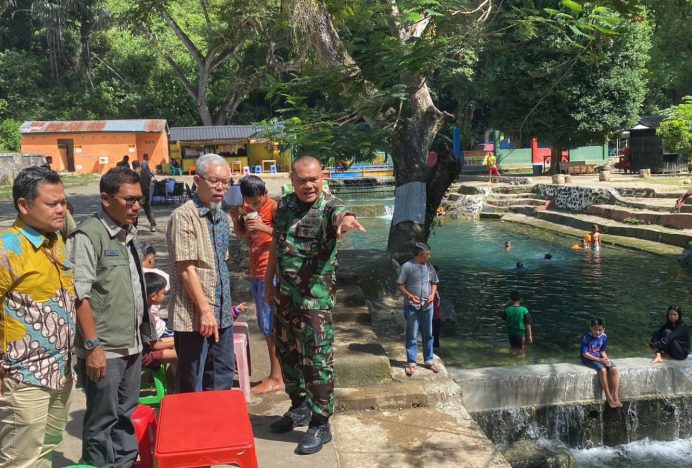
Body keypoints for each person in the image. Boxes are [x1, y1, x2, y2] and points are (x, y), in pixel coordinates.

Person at [264, 155, 365, 455]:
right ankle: (300, 407)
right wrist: (270, 280)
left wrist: (347, 222)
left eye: (314, 179)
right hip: (284, 296)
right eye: (302, 180)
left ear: (323, 177)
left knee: (317, 361)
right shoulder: (284, 205)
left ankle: (320, 422)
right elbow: (276, 242)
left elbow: (342, 216)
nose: (309, 185)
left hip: (313, 301)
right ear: (291, 179)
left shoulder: (330, 205)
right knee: (288, 354)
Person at [67, 166, 155, 466]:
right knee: (101, 421)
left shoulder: (126, 233)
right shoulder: (88, 236)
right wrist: (93, 347)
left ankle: (125, 463)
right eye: (129, 200)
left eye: (140, 199)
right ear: (106, 199)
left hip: (130, 344)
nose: (136, 206)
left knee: (126, 414)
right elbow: (80, 296)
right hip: (105, 349)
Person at [0, 166, 76, 467]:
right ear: (24, 205)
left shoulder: (55, 242)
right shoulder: (8, 249)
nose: (62, 209)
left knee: (47, 448)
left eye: (64, 202)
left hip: (61, 371)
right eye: (52, 203)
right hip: (23, 376)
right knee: (21, 459)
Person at [166, 153, 236, 393]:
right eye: (214, 181)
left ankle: (218, 429)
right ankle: (190, 429)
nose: (221, 188)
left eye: (226, 182)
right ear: (197, 180)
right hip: (195, 317)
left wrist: (221, 310)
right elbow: (185, 269)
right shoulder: (184, 216)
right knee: (192, 380)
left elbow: (220, 265)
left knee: (222, 375)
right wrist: (205, 311)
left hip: (222, 314)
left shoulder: (221, 216)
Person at [229, 175, 284, 395]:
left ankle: (277, 378)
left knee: (270, 324)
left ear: (264, 194)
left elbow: (286, 236)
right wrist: (236, 219)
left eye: (255, 202)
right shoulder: (245, 206)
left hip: (269, 272)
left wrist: (263, 226)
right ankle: (276, 374)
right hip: (254, 272)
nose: (251, 206)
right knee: (264, 323)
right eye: (248, 202)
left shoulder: (274, 208)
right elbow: (242, 234)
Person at [396, 242, 440, 377]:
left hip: (428, 306)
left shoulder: (430, 267)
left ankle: (429, 360)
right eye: (427, 254)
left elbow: (434, 283)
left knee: (429, 334)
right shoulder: (407, 267)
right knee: (412, 335)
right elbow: (399, 284)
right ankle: (411, 363)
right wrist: (409, 296)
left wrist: (432, 294)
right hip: (412, 307)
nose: (429, 256)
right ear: (420, 254)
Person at [580, 318, 622, 409]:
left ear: (604, 329)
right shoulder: (586, 337)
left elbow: (602, 351)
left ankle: (615, 396)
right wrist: (599, 360)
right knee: (603, 370)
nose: (598, 332)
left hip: (599, 357)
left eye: (600, 330)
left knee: (614, 369)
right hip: (588, 358)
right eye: (595, 330)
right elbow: (584, 353)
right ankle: (608, 396)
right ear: (590, 328)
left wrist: (606, 359)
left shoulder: (604, 336)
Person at [142, 272, 177, 371]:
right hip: (144, 355)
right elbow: (155, 345)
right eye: (163, 293)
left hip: (148, 347)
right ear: (153, 296)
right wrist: (175, 342)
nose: (164, 295)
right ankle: (180, 383)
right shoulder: (146, 317)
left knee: (178, 342)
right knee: (182, 352)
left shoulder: (145, 311)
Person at [131, 160, 157, 232]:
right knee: (148, 209)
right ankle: (153, 225)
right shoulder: (145, 172)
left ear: (133, 166)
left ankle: (134, 226)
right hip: (146, 193)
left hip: (136, 194)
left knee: (135, 209)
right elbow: (151, 180)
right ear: (139, 165)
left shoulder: (132, 175)